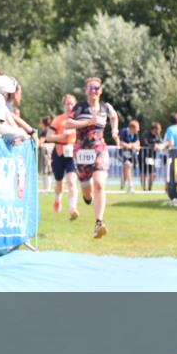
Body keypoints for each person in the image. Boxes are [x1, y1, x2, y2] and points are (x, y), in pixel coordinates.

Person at [65, 77, 119, 239]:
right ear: (86, 90)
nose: (94, 91)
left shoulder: (105, 107)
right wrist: (88, 122)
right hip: (81, 151)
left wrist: (114, 131)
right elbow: (68, 124)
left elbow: (114, 116)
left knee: (99, 184)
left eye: (97, 88)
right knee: (87, 192)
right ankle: (87, 198)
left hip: (99, 149)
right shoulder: (80, 107)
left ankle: (98, 223)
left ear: (101, 91)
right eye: (91, 88)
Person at [46, 93, 80, 219]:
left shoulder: (79, 120)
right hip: (59, 153)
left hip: (72, 154)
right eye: (67, 104)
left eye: (72, 104)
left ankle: (73, 208)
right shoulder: (58, 119)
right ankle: (57, 199)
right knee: (59, 183)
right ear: (63, 105)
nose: (70, 106)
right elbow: (49, 137)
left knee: (71, 181)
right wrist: (62, 136)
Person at [118, 119, 141, 193]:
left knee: (126, 169)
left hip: (131, 153)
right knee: (128, 165)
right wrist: (129, 145)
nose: (138, 130)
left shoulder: (136, 134)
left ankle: (122, 187)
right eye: (137, 128)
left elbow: (138, 144)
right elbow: (120, 142)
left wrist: (130, 145)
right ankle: (131, 186)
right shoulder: (123, 131)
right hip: (122, 152)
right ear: (132, 128)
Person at [142, 121, 164, 192]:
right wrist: (153, 145)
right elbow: (144, 143)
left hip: (151, 157)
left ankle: (149, 189)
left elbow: (161, 143)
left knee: (153, 173)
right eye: (159, 129)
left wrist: (159, 145)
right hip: (144, 156)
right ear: (154, 129)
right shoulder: (146, 134)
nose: (160, 131)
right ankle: (144, 189)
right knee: (144, 173)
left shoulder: (158, 135)